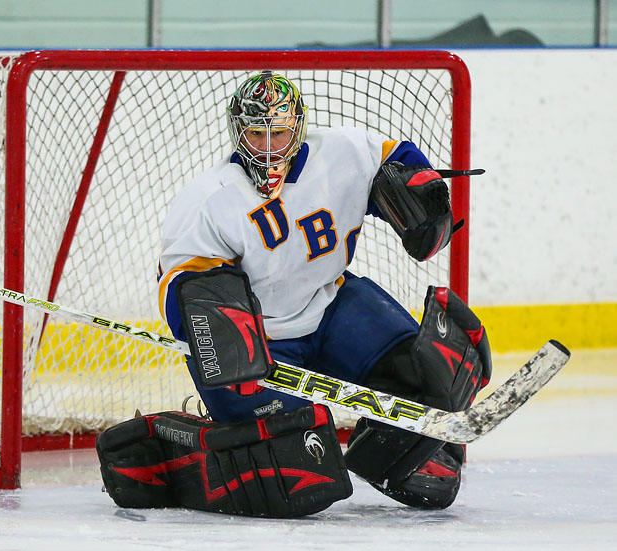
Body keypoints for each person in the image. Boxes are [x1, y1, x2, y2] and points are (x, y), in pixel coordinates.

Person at [96, 71, 491, 518]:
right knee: (292, 471)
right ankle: (178, 444)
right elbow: (178, 283)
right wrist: (215, 334)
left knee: (433, 374)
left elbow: (395, 156)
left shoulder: (344, 152)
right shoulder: (211, 198)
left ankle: (384, 455)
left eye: (279, 133)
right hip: (259, 344)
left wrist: (417, 184)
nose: (268, 146)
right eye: (256, 134)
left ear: (298, 127)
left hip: (332, 308)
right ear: (237, 131)